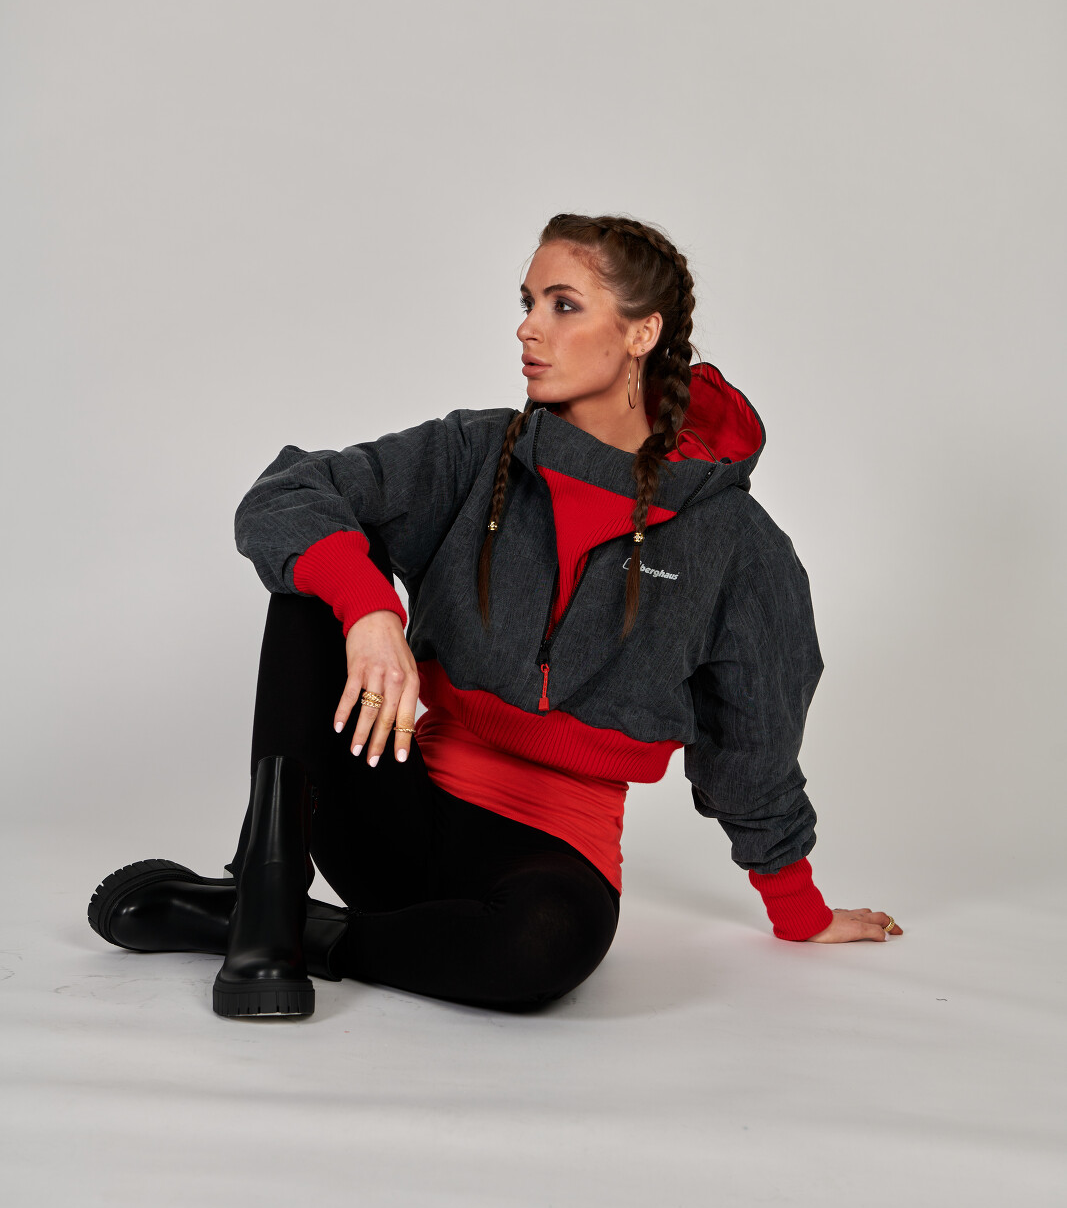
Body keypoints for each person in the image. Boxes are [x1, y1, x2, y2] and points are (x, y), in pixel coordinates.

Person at [87, 212, 902, 1021]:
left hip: (547, 854)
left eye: (562, 305)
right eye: (527, 302)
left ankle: (276, 929)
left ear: (641, 333)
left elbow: (753, 734)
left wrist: (796, 906)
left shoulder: (735, 542)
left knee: (541, 950)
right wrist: (370, 610)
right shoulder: (477, 454)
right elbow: (287, 493)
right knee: (313, 579)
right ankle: (266, 896)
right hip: (389, 803)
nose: (527, 328)